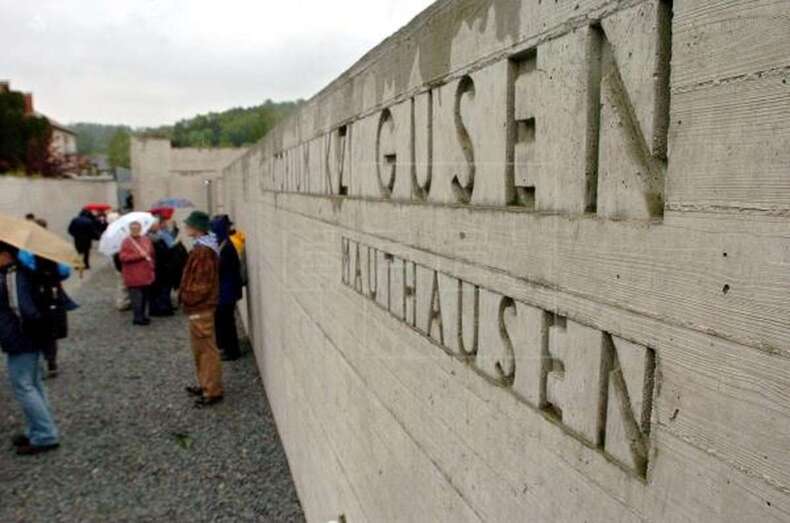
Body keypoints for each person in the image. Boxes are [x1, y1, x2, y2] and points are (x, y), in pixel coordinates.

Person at [0, 242, 61, 455]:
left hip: (21, 336)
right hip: (30, 336)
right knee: (33, 383)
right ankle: (37, 429)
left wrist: (21, 332)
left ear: (6, 255)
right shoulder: (23, 271)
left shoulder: (12, 275)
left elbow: (23, 309)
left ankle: (45, 434)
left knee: (23, 386)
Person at [179, 211, 223, 408]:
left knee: (206, 350)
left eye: (189, 224)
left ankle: (212, 390)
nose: (186, 227)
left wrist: (188, 297)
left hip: (201, 306)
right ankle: (205, 384)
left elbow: (203, 283)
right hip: (199, 306)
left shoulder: (204, 251)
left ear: (196, 228)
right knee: (200, 349)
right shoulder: (202, 247)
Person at [210, 216, 243, 361]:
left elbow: (223, 269)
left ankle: (232, 351)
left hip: (227, 291)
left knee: (227, 322)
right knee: (224, 321)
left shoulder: (227, 247)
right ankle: (226, 347)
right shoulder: (223, 245)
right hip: (225, 290)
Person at [119, 222, 155, 326]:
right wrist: (138, 256)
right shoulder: (126, 242)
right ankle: (138, 318)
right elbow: (123, 257)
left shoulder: (146, 239)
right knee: (136, 298)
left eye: (137, 228)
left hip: (146, 273)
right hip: (133, 275)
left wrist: (152, 265)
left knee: (144, 297)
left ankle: (143, 315)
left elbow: (152, 253)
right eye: (133, 229)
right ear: (130, 229)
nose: (135, 231)